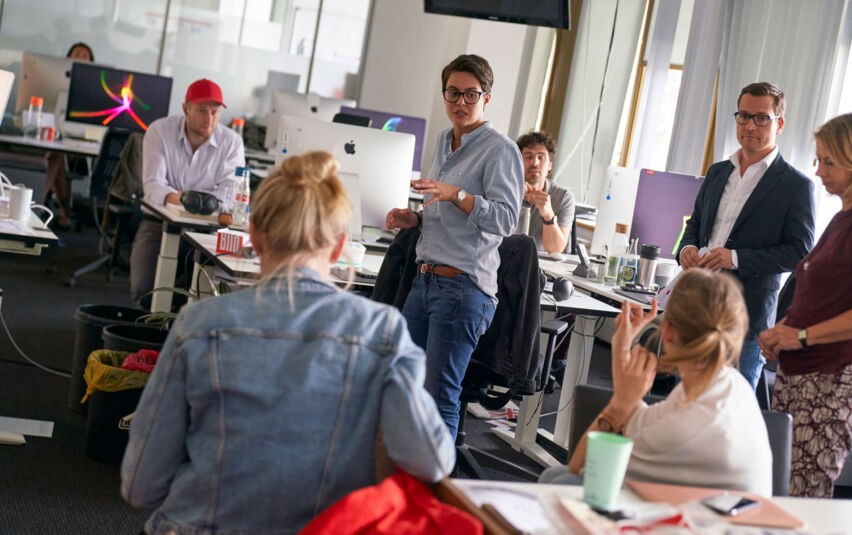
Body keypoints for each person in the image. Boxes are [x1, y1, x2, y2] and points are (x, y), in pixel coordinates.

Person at [121, 151, 455, 534]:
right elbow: (433, 461)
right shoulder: (383, 333)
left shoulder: (199, 325)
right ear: (338, 246)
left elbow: (139, 486)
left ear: (256, 237)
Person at [758, 113, 852, 498]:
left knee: (804, 492)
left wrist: (801, 336)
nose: (819, 171)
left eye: (829, 161)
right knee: (782, 487)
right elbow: (825, 297)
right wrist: (783, 330)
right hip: (803, 371)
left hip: (834, 375)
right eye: (818, 160)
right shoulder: (843, 217)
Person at [385, 54, 523, 438]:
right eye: (452, 93)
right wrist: (414, 219)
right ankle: (404, 480)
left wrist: (458, 194)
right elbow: (440, 211)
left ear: (487, 98)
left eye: (470, 94)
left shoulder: (500, 150)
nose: (460, 102)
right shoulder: (444, 142)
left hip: (461, 289)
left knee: (439, 397)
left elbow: (505, 220)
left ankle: (439, 492)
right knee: (402, 385)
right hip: (425, 280)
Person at [560, 269, 772, 496]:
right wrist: (621, 349)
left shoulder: (674, 429)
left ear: (668, 332)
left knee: (558, 479)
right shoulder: (733, 385)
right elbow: (643, 421)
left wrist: (620, 403)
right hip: (731, 521)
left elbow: (581, 468)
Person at [677, 81, 815, 390]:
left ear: (778, 123)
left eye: (761, 118)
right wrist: (687, 247)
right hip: (698, 306)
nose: (749, 125)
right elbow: (696, 224)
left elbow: (800, 253)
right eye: (743, 116)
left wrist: (735, 258)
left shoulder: (795, 185)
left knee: (731, 410)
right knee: (686, 399)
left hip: (747, 318)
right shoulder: (717, 172)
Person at [129, 78, 244, 305]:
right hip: (159, 222)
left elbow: (229, 194)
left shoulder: (232, 142)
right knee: (144, 289)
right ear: (185, 109)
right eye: (201, 110)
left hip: (207, 229)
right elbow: (153, 186)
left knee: (204, 291)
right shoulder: (160, 131)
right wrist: (183, 199)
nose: (208, 119)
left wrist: (192, 201)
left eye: (215, 112)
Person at [42, 42, 95, 228]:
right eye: (76, 54)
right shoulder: (54, 80)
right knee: (56, 155)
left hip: (83, 147)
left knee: (55, 156)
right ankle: (63, 212)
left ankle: (41, 205)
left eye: (84, 55)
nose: (80, 58)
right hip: (56, 138)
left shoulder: (95, 87)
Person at [515, 130, 575, 254]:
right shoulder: (504, 188)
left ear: (550, 166)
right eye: (528, 156)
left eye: (541, 157)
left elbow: (555, 249)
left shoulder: (563, 197)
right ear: (517, 162)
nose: (535, 162)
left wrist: (548, 215)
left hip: (539, 267)